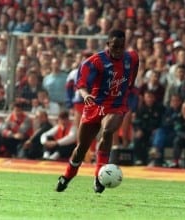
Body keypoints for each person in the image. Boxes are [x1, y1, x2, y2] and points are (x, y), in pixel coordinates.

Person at [55, 29, 139, 193]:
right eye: (115, 46)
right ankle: (66, 177)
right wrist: (85, 95)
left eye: (121, 47)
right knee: (81, 149)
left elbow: (133, 74)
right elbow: (80, 84)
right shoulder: (94, 62)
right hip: (94, 105)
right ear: (108, 45)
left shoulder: (132, 58)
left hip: (116, 105)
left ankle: (99, 177)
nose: (118, 50)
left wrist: (130, 87)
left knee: (108, 131)